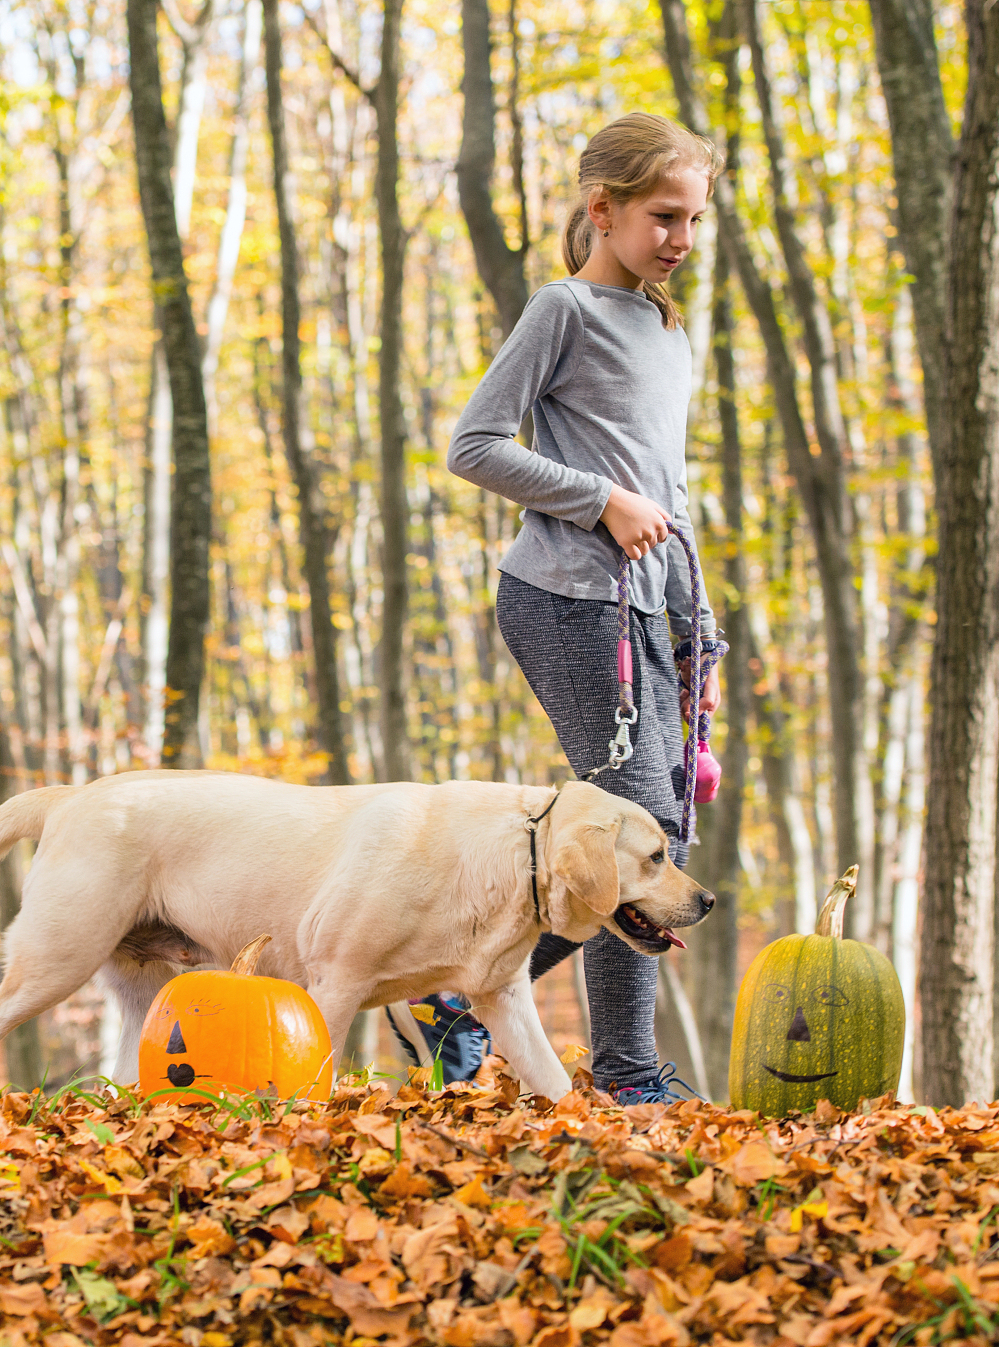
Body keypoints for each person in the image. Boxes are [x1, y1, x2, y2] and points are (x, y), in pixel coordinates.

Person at [395, 112, 720, 1105]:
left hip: (650, 612)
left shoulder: (666, 326)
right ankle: (623, 1074)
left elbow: (661, 482)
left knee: (656, 829)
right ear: (601, 210)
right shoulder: (562, 311)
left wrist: (695, 628)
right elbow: (473, 444)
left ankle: (453, 1003)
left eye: (693, 220)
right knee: (632, 835)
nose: (679, 239)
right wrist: (600, 501)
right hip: (566, 600)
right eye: (663, 216)